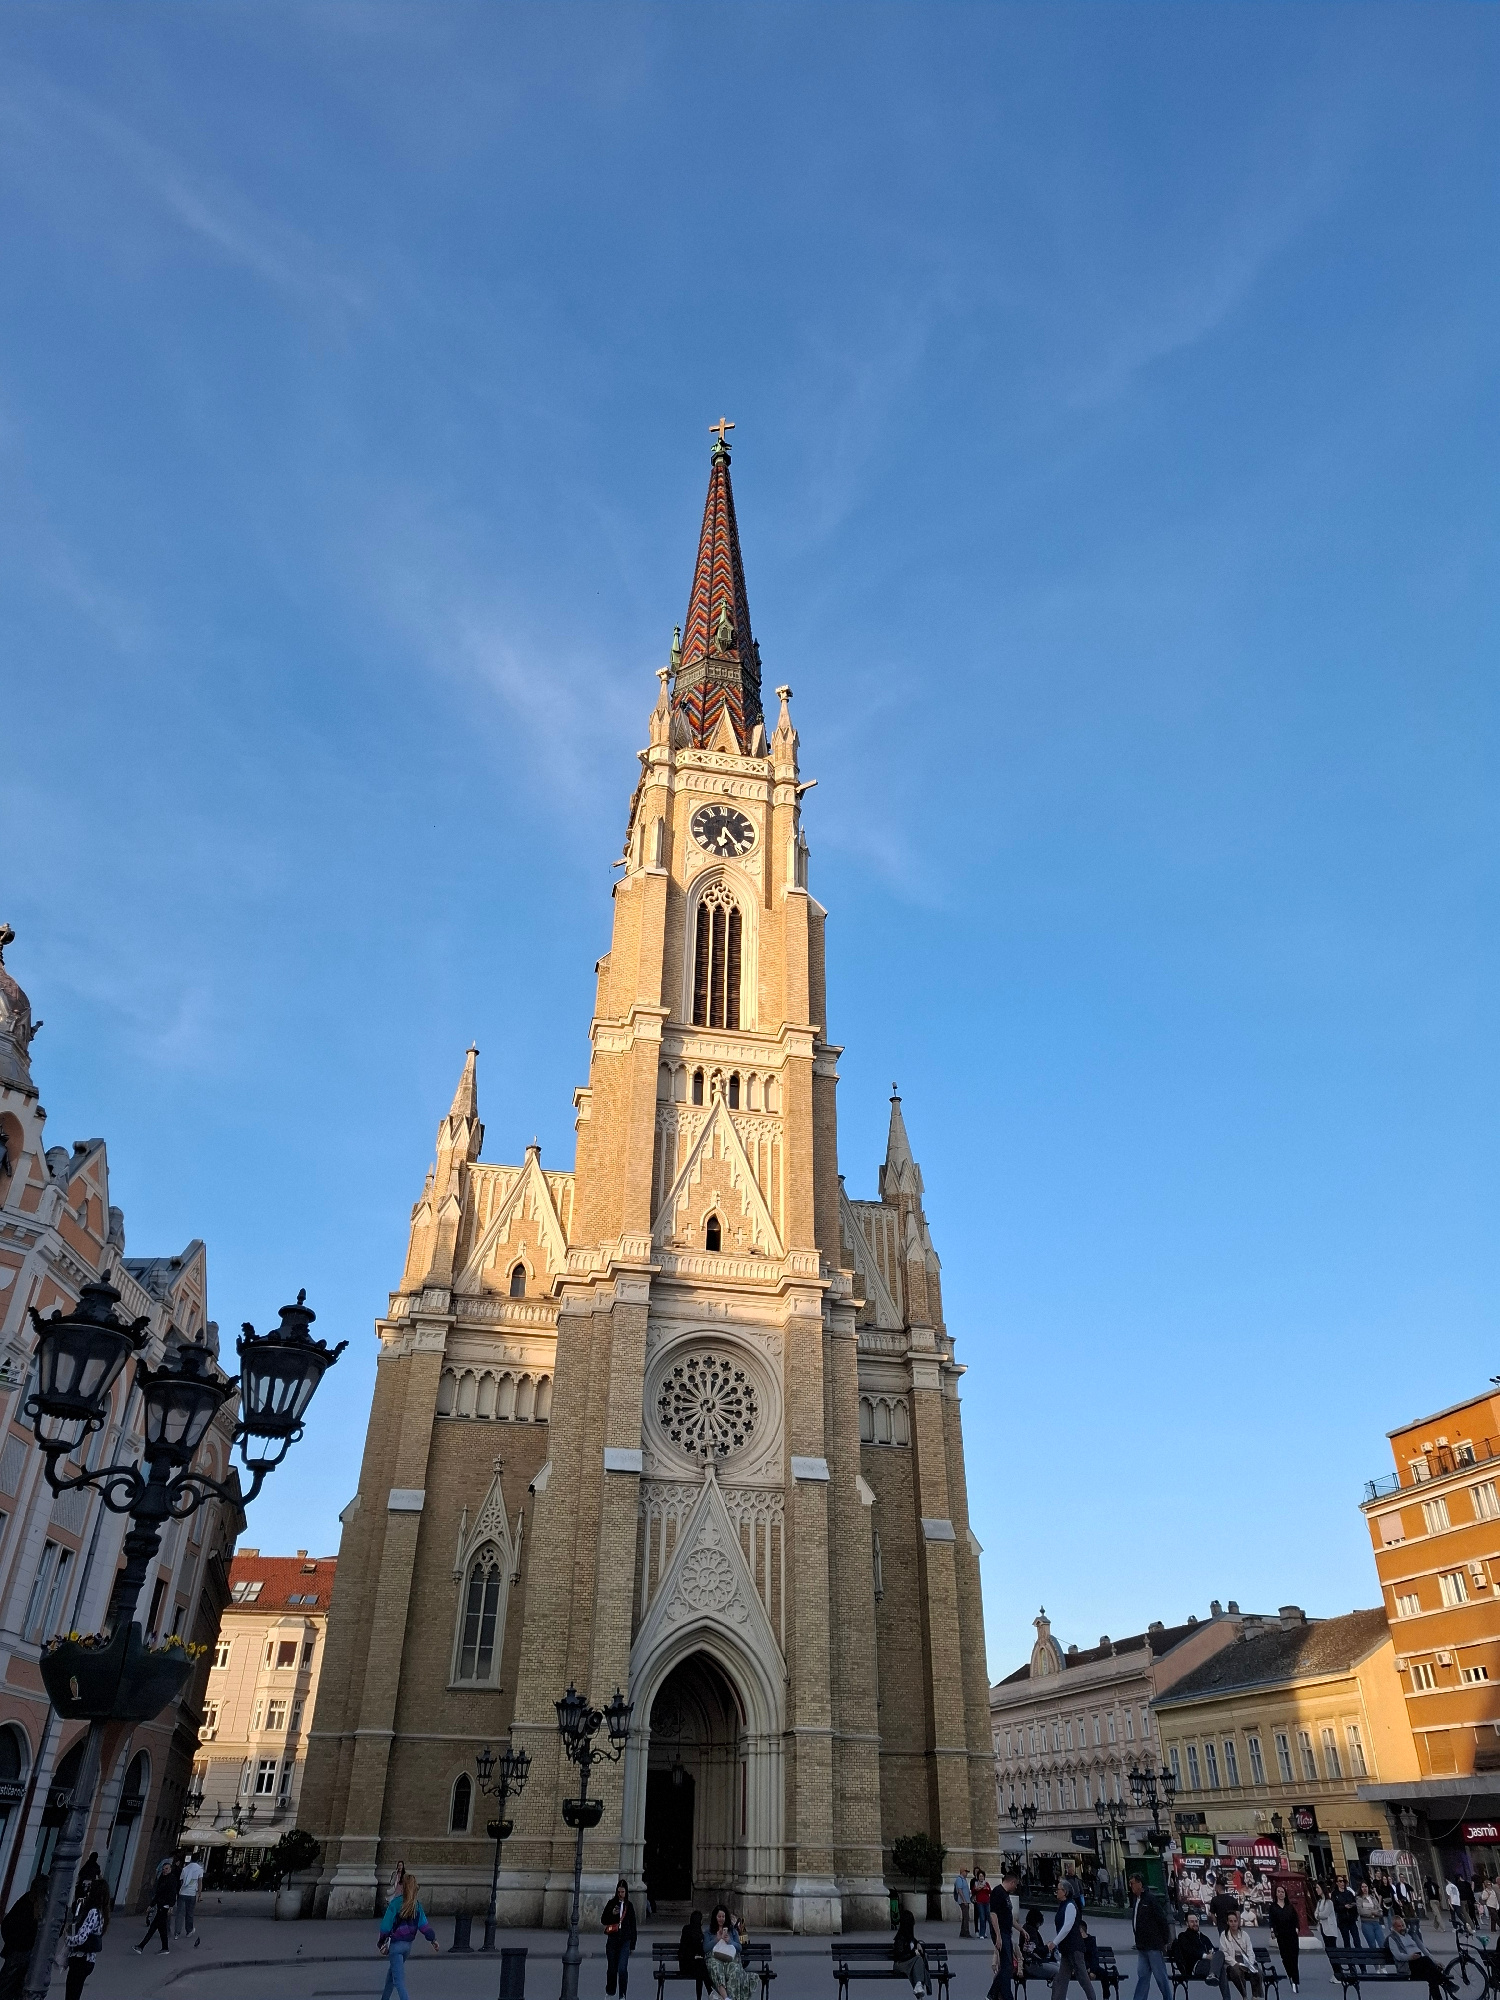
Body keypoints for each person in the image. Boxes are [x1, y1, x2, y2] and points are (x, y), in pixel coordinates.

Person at [377, 1870, 438, 2000]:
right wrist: (433, 1940)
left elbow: (385, 1926)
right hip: (407, 1947)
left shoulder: (395, 1903)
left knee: (399, 1981)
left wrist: (381, 1941)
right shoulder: (417, 1906)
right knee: (392, 1975)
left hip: (396, 1946)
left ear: (402, 1887)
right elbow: (424, 1926)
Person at [0, 1875, 49, 2000]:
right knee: (19, 1989)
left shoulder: (26, 1901)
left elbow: (7, 1924)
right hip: (28, 1954)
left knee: (7, 1987)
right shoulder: (43, 1906)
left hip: (17, 1952)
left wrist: (12, 1943)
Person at [63, 1876, 110, 2000]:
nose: (87, 1892)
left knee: (71, 1993)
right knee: (75, 1992)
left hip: (81, 1959)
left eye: (90, 1889)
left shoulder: (93, 1912)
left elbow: (81, 1938)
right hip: (89, 1960)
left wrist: (67, 1938)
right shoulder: (102, 1912)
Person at [1051, 1877, 1097, 2000]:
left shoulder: (1070, 1905)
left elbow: (1067, 1927)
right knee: (1062, 1978)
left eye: (1058, 1890)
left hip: (1074, 1947)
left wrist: (1054, 1943)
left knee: (1083, 1978)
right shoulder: (1063, 1905)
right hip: (1066, 1948)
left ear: (1065, 1892)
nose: (1056, 1892)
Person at [1128, 1871, 1171, 2000]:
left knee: (1160, 1976)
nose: (1131, 1886)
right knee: (1142, 1975)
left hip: (1153, 1945)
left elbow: (1162, 1919)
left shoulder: (1150, 1899)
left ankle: (1168, 1997)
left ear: (1139, 1884)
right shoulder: (1136, 1900)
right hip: (1142, 1945)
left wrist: (1165, 1941)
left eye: (1132, 1883)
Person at [1386, 1916, 1446, 2000]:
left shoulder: (1411, 1934)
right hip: (1408, 1965)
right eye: (1399, 1926)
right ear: (1394, 1927)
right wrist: (1410, 1957)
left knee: (1431, 1975)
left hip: (1422, 1963)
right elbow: (1398, 1956)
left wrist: (1434, 1961)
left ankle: (1439, 1997)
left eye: (1403, 1925)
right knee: (1428, 1963)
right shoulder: (1392, 1938)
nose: (1402, 1928)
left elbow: (1423, 1949)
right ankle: (1446, 1982)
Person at [133, 1856, 179, 1955]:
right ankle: (165, 1948)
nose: (164, 1870)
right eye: (163, 1869)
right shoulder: (162, 1878)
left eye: (166, 1869)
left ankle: (141, 1946)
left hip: (165, 1906)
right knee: (162, 1929)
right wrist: (152, 1905)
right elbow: (158, 1893)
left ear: (170, 1869)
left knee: (153, 1927)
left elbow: (173, 1893)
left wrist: (171, 1905)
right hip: (160, 1905)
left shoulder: (172, 1879)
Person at [705, 1907, 753, 2000]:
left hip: (730, 1958)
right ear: (715, 1917)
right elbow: (705, 1948)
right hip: (714, 1957)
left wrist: (730, 1941)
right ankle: (725, 1997)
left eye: (723, 1916)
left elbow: (739, 1948)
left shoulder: (732, 1931)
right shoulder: (709, 1931)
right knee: (716, 1967)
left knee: (734, 1969)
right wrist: (717, 1939)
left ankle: (732, 1997)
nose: (721, 1919)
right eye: (719, 1916)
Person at [603, 1879, 638, 1998]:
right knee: (612, 1969)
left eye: (622, 1892)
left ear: (626, 1892)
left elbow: (633, 1925)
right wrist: (612, 1914)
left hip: (625, 1940)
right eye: (619, 1892)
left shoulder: (629, 1905)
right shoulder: (611, 1903)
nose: (620, 1894)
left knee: (622, 1969)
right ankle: (610, 1991)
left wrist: (633, 1944)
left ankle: (622, 1995)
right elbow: (603, 1920)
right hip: (612, 1940)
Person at [988, 1870, 1018, 2000]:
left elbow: (1009, 1917)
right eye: (1015, 1884)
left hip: (1006, 1932)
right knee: (1007, 1966)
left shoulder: (1005, 1894)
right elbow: (993, 1915)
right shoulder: (997, 1892)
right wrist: (998, 1936)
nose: (1016, 1887)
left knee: (1007, 1966)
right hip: (1001, 1933)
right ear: (1012, 1882)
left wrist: (1021, 1930)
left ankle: (994, 1994)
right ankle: (1005, 1995)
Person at [1216, 1913, 1260, 2000]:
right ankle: (1244, 1996)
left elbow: (1250, 1951)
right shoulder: (1224, 1935)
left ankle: (1255, 1996)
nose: (1233, 1923)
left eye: (1235, 1921)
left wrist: (1250, 1963)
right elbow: (1224, 1953)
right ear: (1227, 1922)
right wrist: (1235, 1963)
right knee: (1236, 1972)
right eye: (1231, 1921)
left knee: (1257, 1972)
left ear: (1238, 1922)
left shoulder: (1245, 1935)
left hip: (1246, 1961)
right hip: (1232, 1962)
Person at [1267, 1885, 1300, 1994]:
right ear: (1276, 1894)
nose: (1280, 1893)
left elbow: (1296, 1919)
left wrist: (1297, 1928)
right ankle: (1290, 1975)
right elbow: (1271, 1920)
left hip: (1292, 1935)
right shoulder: (1273, 1907)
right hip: (1281, 1935)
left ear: (1285, 1894)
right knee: (1285, 1958)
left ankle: (1295, 1981)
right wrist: (1272, 1931)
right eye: (1279, 1891)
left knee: (1294, 1958)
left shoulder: (1290, 1906)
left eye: (1282, 1892)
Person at [893, 1910, 932, 1996]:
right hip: (900, 1965)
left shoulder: (911, 1938)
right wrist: (913, 1953)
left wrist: (918, 1946)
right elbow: (899, 1955)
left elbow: (915, 1950)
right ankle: (918, 1985)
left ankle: (918, 1986)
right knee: (918, 1960)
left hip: (910, 1964)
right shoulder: (900, 1938)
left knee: (918, 1962)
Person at [1168, 1914, 1213, 1985]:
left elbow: (1211, 1947)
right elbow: (1190, 1951)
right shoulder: (1183, 1936)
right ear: (1187, 1923)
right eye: (1192, 1922)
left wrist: (1212, 1952)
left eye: (1196, 1921)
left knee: (1220, 1957)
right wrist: (1205, 1956)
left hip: (1209, 1963)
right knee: (1220, 1968)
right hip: (1196, 1965)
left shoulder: (1203, 1937)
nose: (1195, 1924)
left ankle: (1216, 1975)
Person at [174, 1850, 203, 1944]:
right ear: (198, 1860)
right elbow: (199, 1882)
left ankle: (177, 1933)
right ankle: (189, 1930)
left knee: (180, 1913)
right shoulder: (199, 1869)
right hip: (192, 1893)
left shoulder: (185, 1868)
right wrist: (199, 1894)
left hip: (183, 1892)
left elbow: (181, 1881)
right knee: (189, 1913)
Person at [678, 1910, 706, 2000]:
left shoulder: (686, 1929)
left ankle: (703, 1996)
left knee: (702, 1969)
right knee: (702, 1970)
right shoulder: (697, 1933)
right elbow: (699, 1950)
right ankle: (705, 1995)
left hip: (684, 1965)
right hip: (690, 1965)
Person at [1358, 1883, 1387, 1950]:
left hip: (1376, 1922)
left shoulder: (1373, 1898)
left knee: (1382, 1943)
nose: (1364, 1888)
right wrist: (1372, 1912)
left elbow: (1379, 1910)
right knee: (1372, 1945)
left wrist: (1375, 1912)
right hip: (1366, 1923)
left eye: (1366, 1886)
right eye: (1362, 1887)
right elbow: (1361, 1911)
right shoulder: (1359, 1899)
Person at [1334, 1878, 1360, 1950]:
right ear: (1337, 1883)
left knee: (1356, 1939)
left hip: (1351, 1919)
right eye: (1340, 1881)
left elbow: (1355, 1903)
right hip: (1342, 1920)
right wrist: (1344, 1907)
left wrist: (1353, 1908)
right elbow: (1335, 1907)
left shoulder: (1349, 1893)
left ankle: (1359, 1952)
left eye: (1344, 1881)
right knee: (1346, 1940)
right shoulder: (1335, 1894)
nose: (1342, 1883)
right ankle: (1349, 1953)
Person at [1314, 1887, 1339, 1952]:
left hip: (1330, 1928)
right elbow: (1315, 1913)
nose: (1316, 1889)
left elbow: (1325, 1914)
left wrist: (1318, 1915)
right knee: (1327, 1946)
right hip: (1322, 1926)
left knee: (1332, 1947)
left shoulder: (1329, 1902)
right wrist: (1318, 1915)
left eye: (1318, 1887)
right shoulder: (1319, 1902)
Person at [955, 1869, 973, 1939]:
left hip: (966, 1901)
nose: (967, 1873)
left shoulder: (964, 1879)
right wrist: (964, 1900)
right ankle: (966, 1932)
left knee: (965, 1917)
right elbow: (959, 1890)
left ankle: (962, 1932)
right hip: (963, 1901)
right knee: (966, 1917)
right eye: (966, 1872)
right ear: (962, 1872)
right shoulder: (959, 1879)